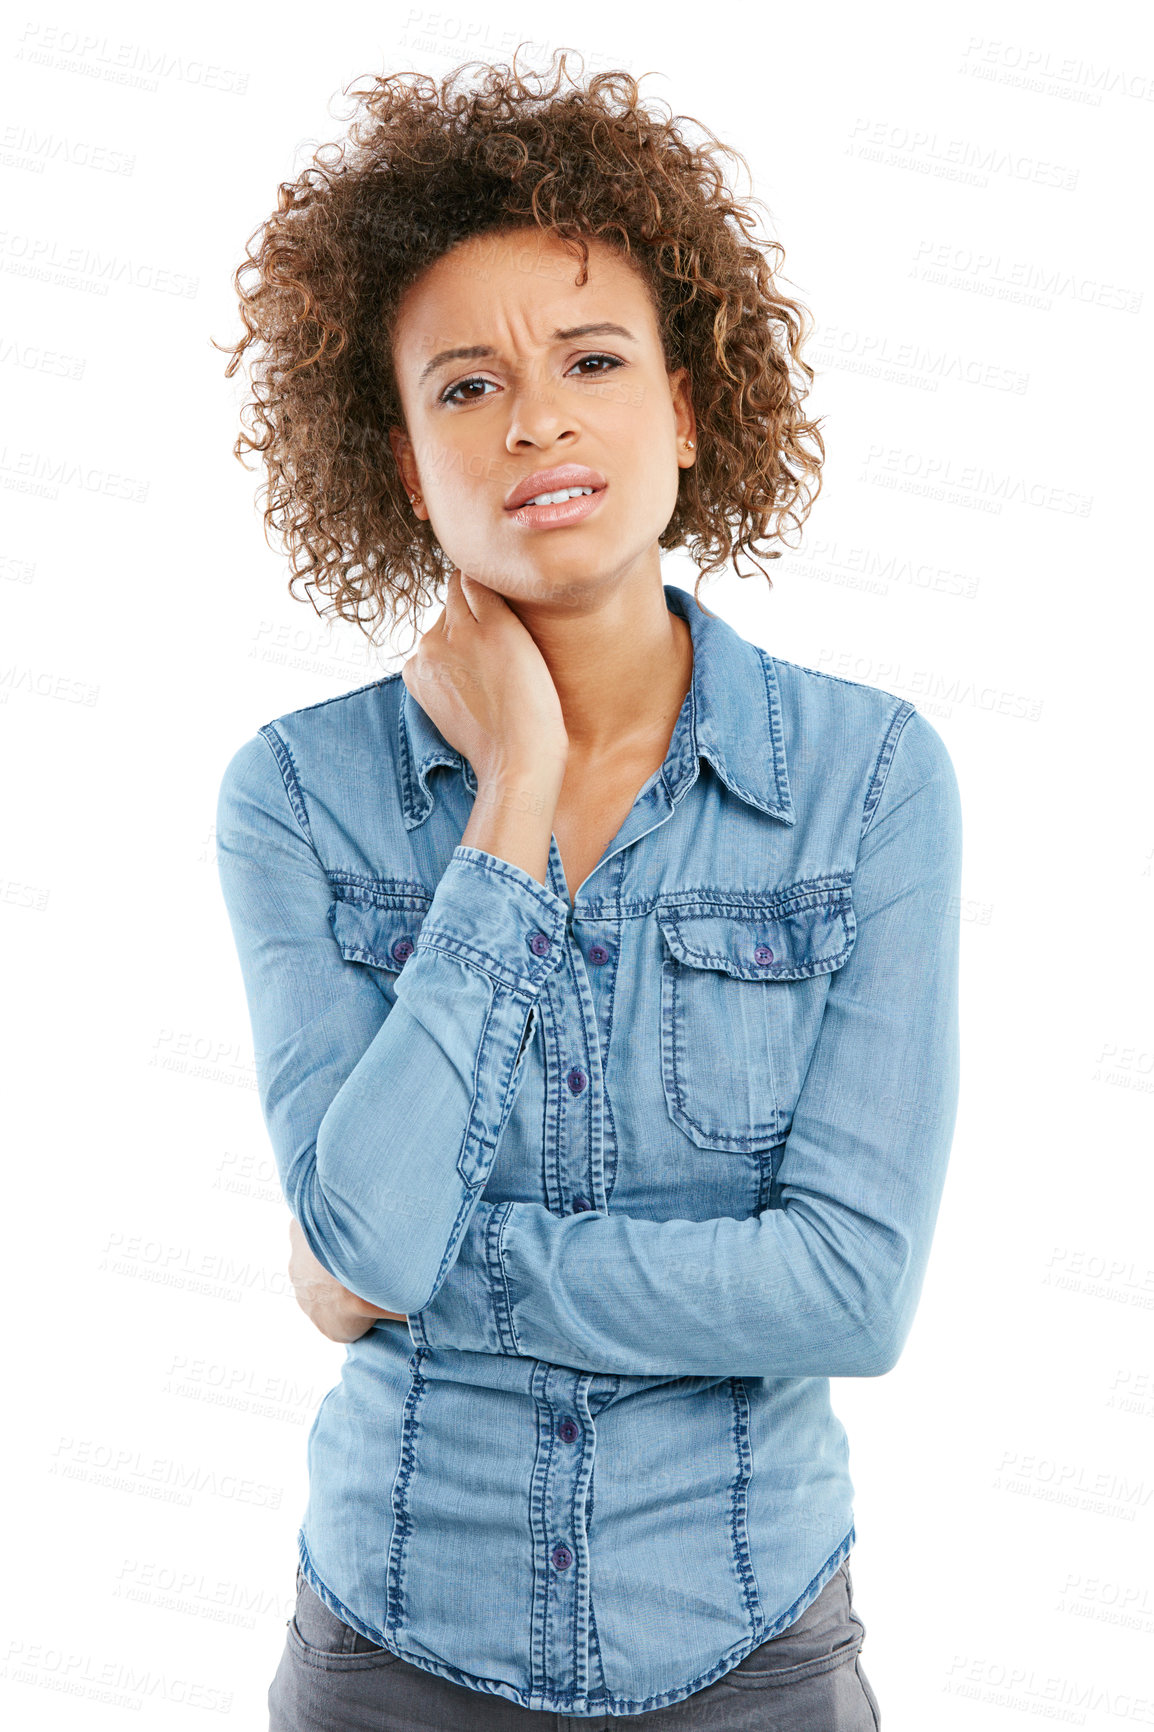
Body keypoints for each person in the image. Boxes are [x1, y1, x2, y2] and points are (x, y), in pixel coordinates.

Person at [215, 48, 961, 1731]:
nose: (536, 417)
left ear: (686, 410)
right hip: (392, 1656)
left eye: (592, 360)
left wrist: (397, 1278)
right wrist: (515, 802)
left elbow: (850, 1290)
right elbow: (362, 1240)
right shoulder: (296, 795)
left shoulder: (867, 781)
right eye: (464, 388)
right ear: (405, 465)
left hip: (748, 1654)